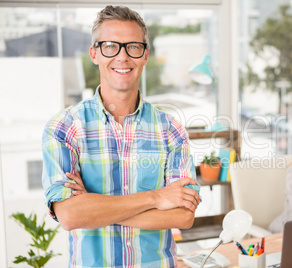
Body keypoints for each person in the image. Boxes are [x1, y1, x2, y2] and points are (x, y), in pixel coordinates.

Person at [42, 5, 201, 267]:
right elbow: (69, 216)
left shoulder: (171, 130)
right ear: (94, 53)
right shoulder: (64, 127)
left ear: (145, 55)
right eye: (110, 46)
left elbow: (183, 217)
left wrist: (93, 210)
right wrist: (156, 198)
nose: (122, 57)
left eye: (133, 47)